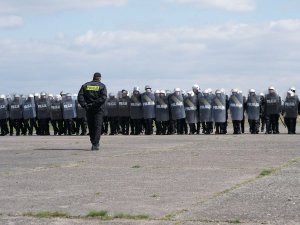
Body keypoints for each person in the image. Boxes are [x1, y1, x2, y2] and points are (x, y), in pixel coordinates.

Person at [78, 72, 107, 151]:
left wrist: (85, 105)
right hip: (98, 109)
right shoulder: (102, 86)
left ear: (93, 77)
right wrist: (94, 104)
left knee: (91, 126)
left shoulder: (85, 85)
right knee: (98, 126)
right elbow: (103, 98)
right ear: (100, 78)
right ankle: (95, 143)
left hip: (88, 109)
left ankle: (93, 142)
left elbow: (80, 97)